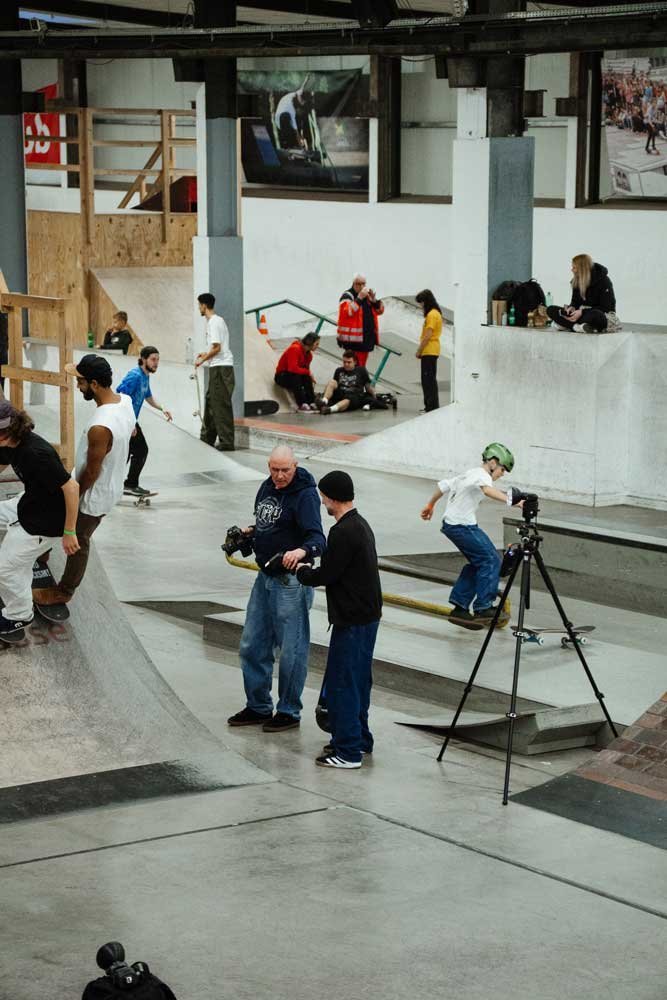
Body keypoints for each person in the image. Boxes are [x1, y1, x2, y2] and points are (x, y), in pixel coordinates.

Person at [227, 445, 326, 732]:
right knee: (252, 644)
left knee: (292, 651)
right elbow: (267, 524)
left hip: (290, 583)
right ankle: (258, 706)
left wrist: (301, 551)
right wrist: (250, 533)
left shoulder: (306, 495)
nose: (279, 476)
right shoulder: (266, 487)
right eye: (274, 469)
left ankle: (289, 711)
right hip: (265, 577)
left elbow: (318, 539)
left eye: (285, 470)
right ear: (268, 466)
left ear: (295, 466)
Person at [32, 354, 135, 606]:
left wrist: (74, 493)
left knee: (78, 537)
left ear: (95, 384)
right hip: (109, 485)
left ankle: (64, 591)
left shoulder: (101, 426)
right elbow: (132, 431)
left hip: (93, 494)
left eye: (81, 382)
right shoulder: (126, 401)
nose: (78, 386)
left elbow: (91, 472)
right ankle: (42, 554)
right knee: (56, 513)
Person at [296, 471, 382, 769]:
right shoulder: (361, 524)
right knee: (358, 681)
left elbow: (328, 574)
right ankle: (360, 739)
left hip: (352, 620)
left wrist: (303, 572)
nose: (322, 502)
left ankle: (347, 752)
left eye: (323, 496)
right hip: (367, 617)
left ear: (332, 497)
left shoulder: (342, 532)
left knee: (343, 683)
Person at [420, 443, 523, 629]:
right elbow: (487, 490)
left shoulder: (469, 473)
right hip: (462, 526)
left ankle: (460, 609)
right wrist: (513, 501)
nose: (502, 474)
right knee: (491, 561)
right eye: (502, 469)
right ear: (492, 462)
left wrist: (430, 505)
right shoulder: (482, 475)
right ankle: (484, 607)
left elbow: (443, 486)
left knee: (479, 563)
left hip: (453, 525)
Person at [0, 400, 80, 635]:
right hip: (29, 503)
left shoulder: (37, 453)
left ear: (9, 430)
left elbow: (72, 488)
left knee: (4, 569)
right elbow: (2, 462)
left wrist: (69, 532)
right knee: (15, 562)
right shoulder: (8, 443)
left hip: (46, 523)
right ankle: (21, 563)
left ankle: (19, 615)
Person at [116, 346, 172, 497]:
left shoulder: (145, 376)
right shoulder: (134, 376)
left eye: (158, 360)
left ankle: (126, 485)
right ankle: (126, 485)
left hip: (131, 421)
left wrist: (162, 408)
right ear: (143, 359)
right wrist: (129, 423)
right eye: (153, 359)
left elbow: (148, 396)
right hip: (124, 420)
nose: (156, 363)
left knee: (130, 453)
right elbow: (121, 397)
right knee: (137, 451)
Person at [195, 293, 235, 451]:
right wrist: (205, 354)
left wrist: (202, 360)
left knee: (220, 405)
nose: (199, 308)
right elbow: (216, 348)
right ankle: (207, 438)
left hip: (221, 368)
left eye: (199, 305)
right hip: (217, 367)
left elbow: (217, 348)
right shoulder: (216, 321)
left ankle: (227, 441)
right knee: (211, 401)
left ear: (204, 305)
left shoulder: (214, 322)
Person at [546, 255, 619, 333]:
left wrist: (582, 312)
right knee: (550, 309)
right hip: (580, 315)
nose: (572, 270)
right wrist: (571, 308)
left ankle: (566, 324)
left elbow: (606, 308)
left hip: (599, 315)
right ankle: (576, 327)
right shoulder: (576, 281)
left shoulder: (604, 281)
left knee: (595, 315)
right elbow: (575, 302)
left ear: (582, 269)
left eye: (574, 268)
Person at [337, 273, 384, 368]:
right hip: (353, 341)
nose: (362, 286)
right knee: (353, 367)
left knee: (361, 367)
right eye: (359, 284)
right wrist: (359, 298)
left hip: (366, 340)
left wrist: (374, 301)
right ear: (353, 284)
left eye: (364, 284)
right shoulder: (347, 296)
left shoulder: (367, 296)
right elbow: (348, 312)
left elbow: (380, 311)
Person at [318, 350, 377, 415]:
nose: (346, 364)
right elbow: (333, 386)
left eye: (349, 362)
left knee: (349, 398)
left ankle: (330, 409)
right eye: (344, 362)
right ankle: (324, 401)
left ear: (355, 362)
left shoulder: (361, 370)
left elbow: (367, 386)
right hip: (341, 393)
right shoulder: (339, 370)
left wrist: (374, 396)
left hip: (353, 396)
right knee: (332, 382)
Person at [274, 332, 320, 412]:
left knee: (306, 377)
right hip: (282, 376)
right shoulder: (295, 349)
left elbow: (305, 370)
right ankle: (302, 403)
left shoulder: (309, 355)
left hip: (294, 376)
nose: (317, 346)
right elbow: (292, 368)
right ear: (310, 342)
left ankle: (311, 401)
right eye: (316, 344)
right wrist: (308, 372)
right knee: (296, 375)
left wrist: (309, 375)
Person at [415, 289, 443, 413]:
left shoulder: (431, 315)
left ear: (426, 301)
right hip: (433, 350)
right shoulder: (436, 313)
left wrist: (419, 350)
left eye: (421, 303)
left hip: (429, 350)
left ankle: (431, 407)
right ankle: (432, 406)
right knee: (430, 380)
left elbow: (428, 335)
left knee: (427, 381)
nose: (421, 306)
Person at [274, 76, 315, 150]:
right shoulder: (291, 111)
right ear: (297, 108)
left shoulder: (297, 94)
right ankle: (288, 145)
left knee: (296, 120)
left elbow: (302, 87)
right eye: (300, 110)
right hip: (280, 120)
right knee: (289, 119)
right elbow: (296, 132)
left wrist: (307, 79)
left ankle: (296, 144)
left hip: (285, 117)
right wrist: (300, 146)